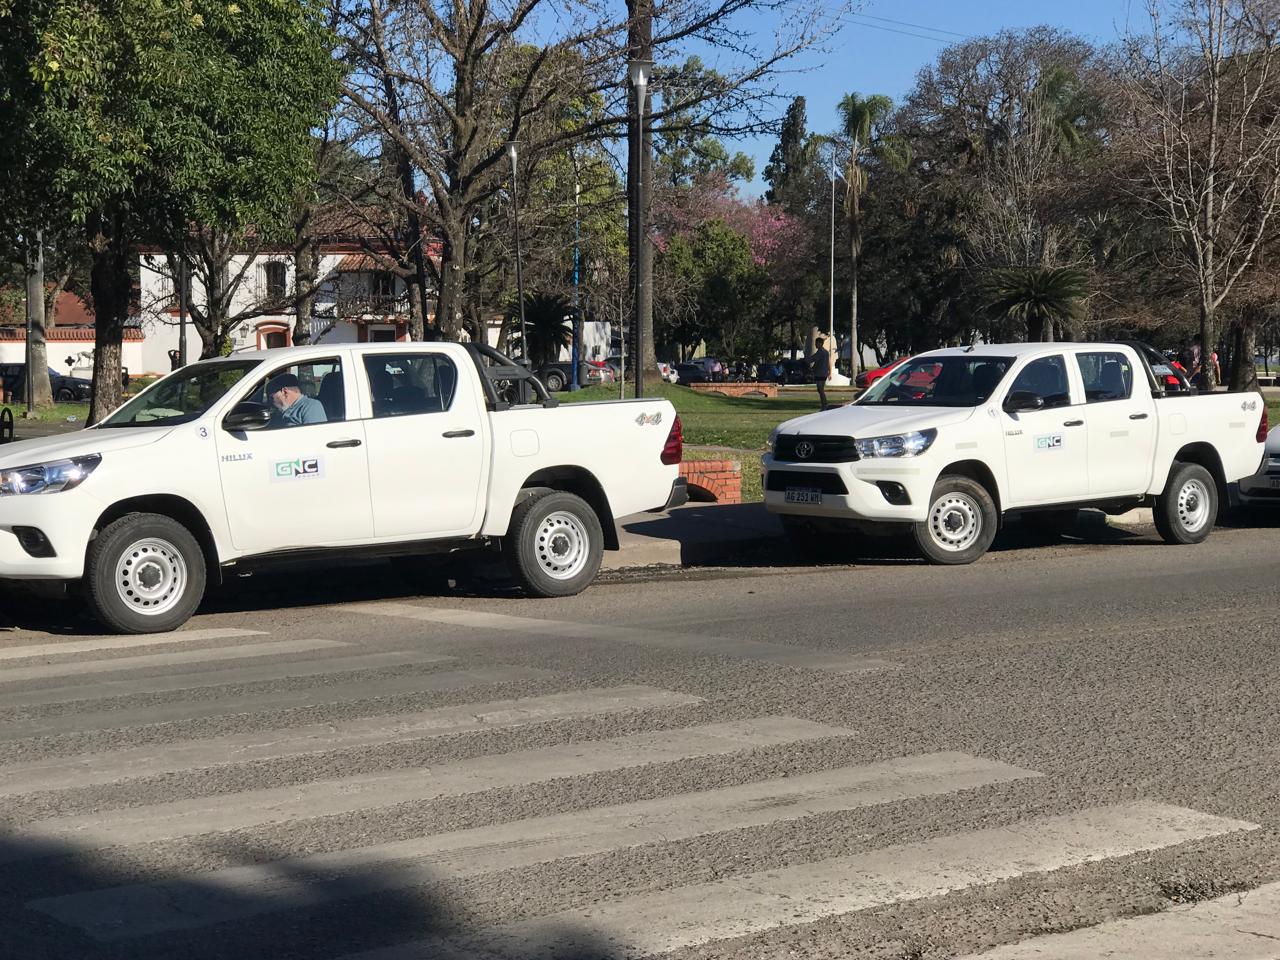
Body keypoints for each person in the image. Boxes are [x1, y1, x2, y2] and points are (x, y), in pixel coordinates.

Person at [810, 337, 831, 411]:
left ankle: (824, 405)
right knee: (820, 389)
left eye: (817, 343)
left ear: (820, 343)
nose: (815, 344)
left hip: (820, 373)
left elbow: (813, 359)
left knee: (820, 389)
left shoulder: (821, 352)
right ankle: (824, 404)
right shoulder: (825, 352)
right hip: (823, 373)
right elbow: (818, 362)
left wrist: (805, 360)